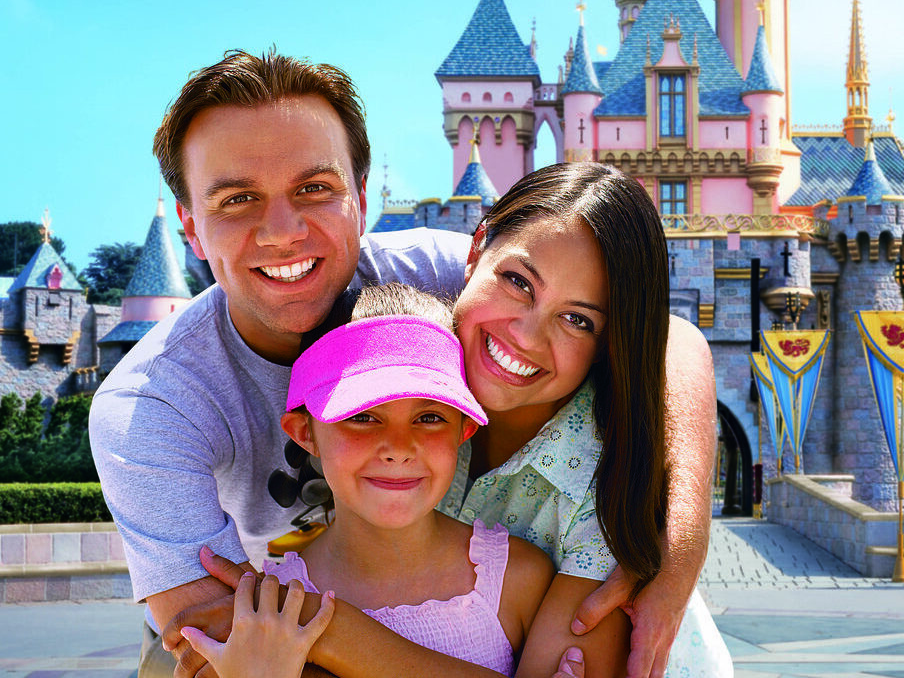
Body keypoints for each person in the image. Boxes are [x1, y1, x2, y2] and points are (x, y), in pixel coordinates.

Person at [91, 50, 717, 678]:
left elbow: (666, 338)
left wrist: (679, 543)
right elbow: (222, 645)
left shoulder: (433, 284)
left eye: (314, 188)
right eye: (236, 199)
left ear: (360, 199)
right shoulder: (149, 408)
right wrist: (313, 627)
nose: (282, 231)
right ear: (191, 228)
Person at [203, 163, 732, 677]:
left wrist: (326, 629)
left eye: (577, 319)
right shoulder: (410, 349)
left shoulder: (605, 484)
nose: (526, 335)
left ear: (608, 342)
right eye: (518, 282)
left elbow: (675, 337)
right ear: (475, 249)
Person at [187, 283, 556, 675]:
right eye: (362, 417)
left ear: (463, 430)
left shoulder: (518, 578)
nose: (398, 448)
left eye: (429, 418)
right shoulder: (268, 616)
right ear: (305, 432)